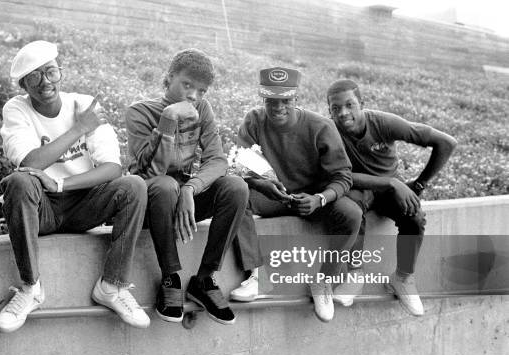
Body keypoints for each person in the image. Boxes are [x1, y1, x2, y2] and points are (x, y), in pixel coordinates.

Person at [0, 40, 150, 332]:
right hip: (42, 208)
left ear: (61, 73)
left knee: (134, 185)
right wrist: (79, 129)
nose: (45, 82)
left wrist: (60, 183)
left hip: (83, 204)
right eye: (34, 76)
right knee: (18, 181)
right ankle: (30, 288)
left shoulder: (83, 104)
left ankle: (111, 286)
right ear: (24, 85)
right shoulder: (16, 109)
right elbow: (30, 160)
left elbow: (112, 168)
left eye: (51, 72)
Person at [126, 48, 251, 325]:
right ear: (168, 79)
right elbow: (151, 171)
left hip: (182, 198)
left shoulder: (202, 110)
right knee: (165, 184)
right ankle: (171, 278)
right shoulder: (139, 112)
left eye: (201, 90)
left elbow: (217, 160)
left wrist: (191, 189)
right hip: (152, 203)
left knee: (236, 187)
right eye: (187, 85)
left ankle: (204, 280)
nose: (193, 95)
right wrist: (169, 119)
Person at [230, 67, 362, 322]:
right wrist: (261, 184)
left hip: (312, 200)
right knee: (236, 194)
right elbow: (239, 167)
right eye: (271, 101)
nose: (278, 107)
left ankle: (324, 281)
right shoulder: (254, 120)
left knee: (351, 214)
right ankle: (258, 276)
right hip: (273, 196)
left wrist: (320, 198)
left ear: (296, 99)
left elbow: (343, 176)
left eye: (286, 101)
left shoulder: (320, 126)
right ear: (263, 100)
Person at [327, 78, 457, 316]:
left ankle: (403, 278)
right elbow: (338, 176)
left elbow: (446, 142)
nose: (343, 113)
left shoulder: (385, 123)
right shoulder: (329, 132)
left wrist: (418, 185)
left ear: (362, 104)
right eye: (336, 108)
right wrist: (391, 182)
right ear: (329, 111)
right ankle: (355, 274)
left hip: (389, 192)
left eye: (349, 105)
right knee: (351, 208)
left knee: (415, 217)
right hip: (360, 189)